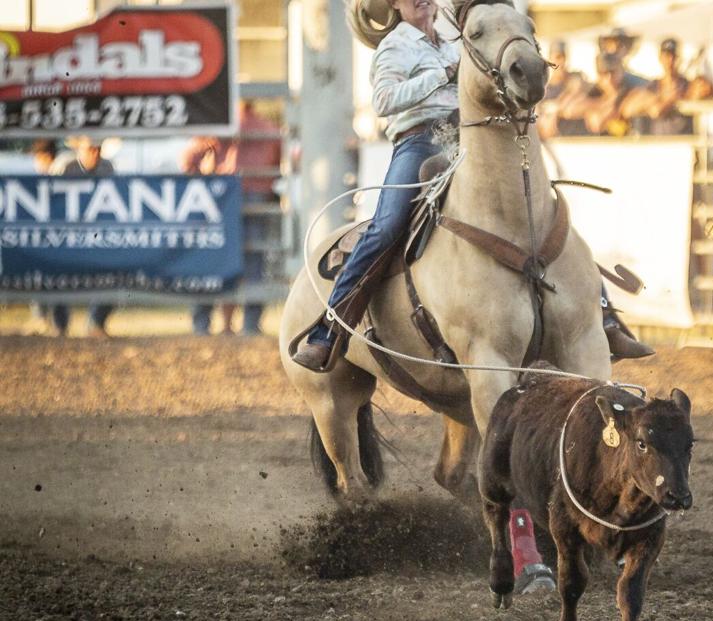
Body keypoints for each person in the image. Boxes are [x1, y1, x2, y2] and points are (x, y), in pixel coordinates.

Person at [291, 0, 651, 371]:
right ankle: (329, 330)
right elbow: (383, 100)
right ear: (394, 5)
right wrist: (442, 75)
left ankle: (604, 316)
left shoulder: (453, 41)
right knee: (386, 227)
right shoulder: (395, 45)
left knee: (542, 208)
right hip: (421, 142)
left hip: (471, 138)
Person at [181, 99, 280, 336]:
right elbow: (279, 161)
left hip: (222, 197)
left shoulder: (221, 125)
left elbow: (188, 160)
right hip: (256, 196)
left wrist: (204, 179)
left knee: (211, 258)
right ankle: (250, 324)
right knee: (254, 260)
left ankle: (202, 323)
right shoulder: (267, 128)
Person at [52, 136, 116, 338]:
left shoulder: (107, 167)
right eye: (90, 148)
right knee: (57, 277)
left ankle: (96, 323)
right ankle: (59, 326)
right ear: (79, 147)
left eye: (98, 148)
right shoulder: (65, 165)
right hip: (65, 234)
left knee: (113, 274)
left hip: (96, 235)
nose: (95, 153)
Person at [26, 140, 71, 336]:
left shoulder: (59, 171)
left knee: (51, 277)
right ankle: (48, 322)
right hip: (53, 238)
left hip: (56, 238)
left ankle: (51, 323)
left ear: (44, 157)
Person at [623, 38, 694, 136]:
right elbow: (627, 109)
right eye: (666, 56)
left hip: (684, 145)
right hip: (658, 145)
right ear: (660, 58)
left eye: (673, 56)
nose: (670, 60)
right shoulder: (652, 86)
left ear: (679, 59)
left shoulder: (688, 86)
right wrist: (659, 99)